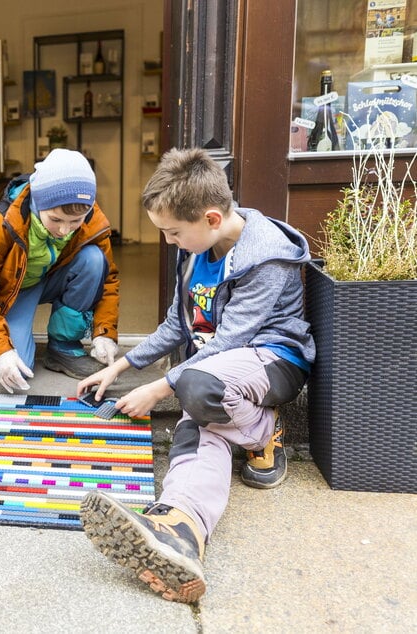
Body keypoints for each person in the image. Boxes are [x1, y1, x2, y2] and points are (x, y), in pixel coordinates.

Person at [76, 148, 314, 603]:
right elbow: (176, 325)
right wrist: (121, 367)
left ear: (209, 217)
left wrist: (160, 386)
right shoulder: (197, 249)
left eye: (172, 232)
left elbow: (228, 340)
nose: (168, 242)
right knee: (197, 425)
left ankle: (264, 431)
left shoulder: (265, 257)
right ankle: (181, 532)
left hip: (272, 362)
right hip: (216, 377)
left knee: (194, 386)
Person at [0, 148, 121, 392]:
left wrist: (105, 333)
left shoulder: (92, 219)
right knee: (19, 368)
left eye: (74, 222)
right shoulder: (3, 219)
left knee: (95, 261)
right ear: (38, 201)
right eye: (55, 220)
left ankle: (63, 346)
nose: (65, 230)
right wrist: (1, 350)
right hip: (14, 291)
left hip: (52, 277)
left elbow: (108, 280)